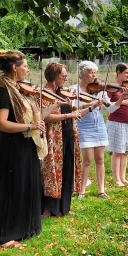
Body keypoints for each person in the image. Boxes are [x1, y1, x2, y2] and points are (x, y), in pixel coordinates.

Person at [0, 50, 55, 248]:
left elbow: (33, 117)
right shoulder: (3, 92)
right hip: (9, 147)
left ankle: (23, 229)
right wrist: (30, 127)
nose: (27, 69)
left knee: (25, 188)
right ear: (15, 68)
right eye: (25, 66)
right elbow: (1, 123)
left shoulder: (18, 90)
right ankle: (3, 237)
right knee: (10, 190)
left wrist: (38, 120)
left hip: (24, 145)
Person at [71, 61, 128, 199]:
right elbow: (74, 108)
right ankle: (81, 191)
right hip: (83, 127)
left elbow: (111, 108)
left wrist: (121, 97)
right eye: (91, 72)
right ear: (83, 74)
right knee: (87, 160)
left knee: (100, 160)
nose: (94, 75)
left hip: (99, 127)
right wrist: (93, 103)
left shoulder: (100, 91)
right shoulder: (74, 89)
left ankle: (101, 190)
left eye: (94, 72)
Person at [41, 62, 82, 218]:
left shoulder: (62, 93)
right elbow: (46, 117)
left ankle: (64, 207)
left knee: (67, 170)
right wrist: (68, 115)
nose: (65, 78)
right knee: (52, 172)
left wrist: (90, 106)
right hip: (54, 138)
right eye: (63, 76)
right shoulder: (45, 94)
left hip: (68, 136)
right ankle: (49, 209)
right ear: (54, 77)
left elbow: (74, 112)